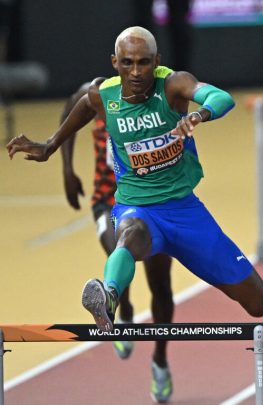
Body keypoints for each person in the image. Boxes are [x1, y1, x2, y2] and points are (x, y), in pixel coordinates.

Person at [7, 23, 263, 387]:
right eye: (128, 63)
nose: (136, 72)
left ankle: (144, 334)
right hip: (137, 208)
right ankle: (109, 297)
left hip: (185, 212)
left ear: (157, 61)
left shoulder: (173, 84)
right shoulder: (104, 94)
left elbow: (221, 98)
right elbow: (82, 105)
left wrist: (199, 114)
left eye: (144, 63)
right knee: (128, 235)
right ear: (114, 62)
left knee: (261, 305)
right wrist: (51, 146)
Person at [59, 82, 175, 403]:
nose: (133, 73)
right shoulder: (96, 94)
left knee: (161, 286)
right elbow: (70, 106)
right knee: (119, 252)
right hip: (107, 202)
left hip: (152, 205)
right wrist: (67, 170)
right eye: (126, 64)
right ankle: (122, 309)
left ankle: (161, 362)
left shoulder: (156, 102)